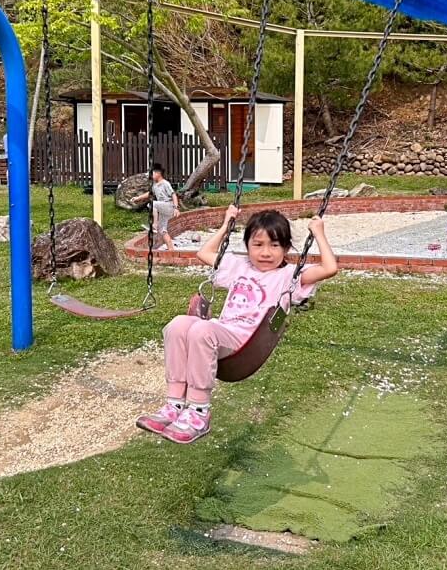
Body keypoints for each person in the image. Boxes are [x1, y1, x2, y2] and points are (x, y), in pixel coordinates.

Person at [137, 206, 338, 443]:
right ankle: (174, 404)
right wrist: (225, 226)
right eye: (258, 244)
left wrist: (319, 232)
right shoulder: (239, 267)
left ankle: (199, 413)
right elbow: (204, 253)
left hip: (247, 342)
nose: (266, 252)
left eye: (274, 245)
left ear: (285, 248)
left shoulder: (290, 276)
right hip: (222, 332)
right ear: (247, 246)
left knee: (202, 329)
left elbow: (329, 268)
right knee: (177, 325)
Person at [131, 163, 179, 251]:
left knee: (152, 204)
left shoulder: (165, 183)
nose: (151, 176)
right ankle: (171, 250)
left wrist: (176, 208)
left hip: (168, 206)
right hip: (163, 208)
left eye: (152, 174)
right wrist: (137, 198)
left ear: (158, 173)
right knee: (163, 230)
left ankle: (154, 225)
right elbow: (149, 194)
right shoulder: (154, 185)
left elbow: (174, 195)